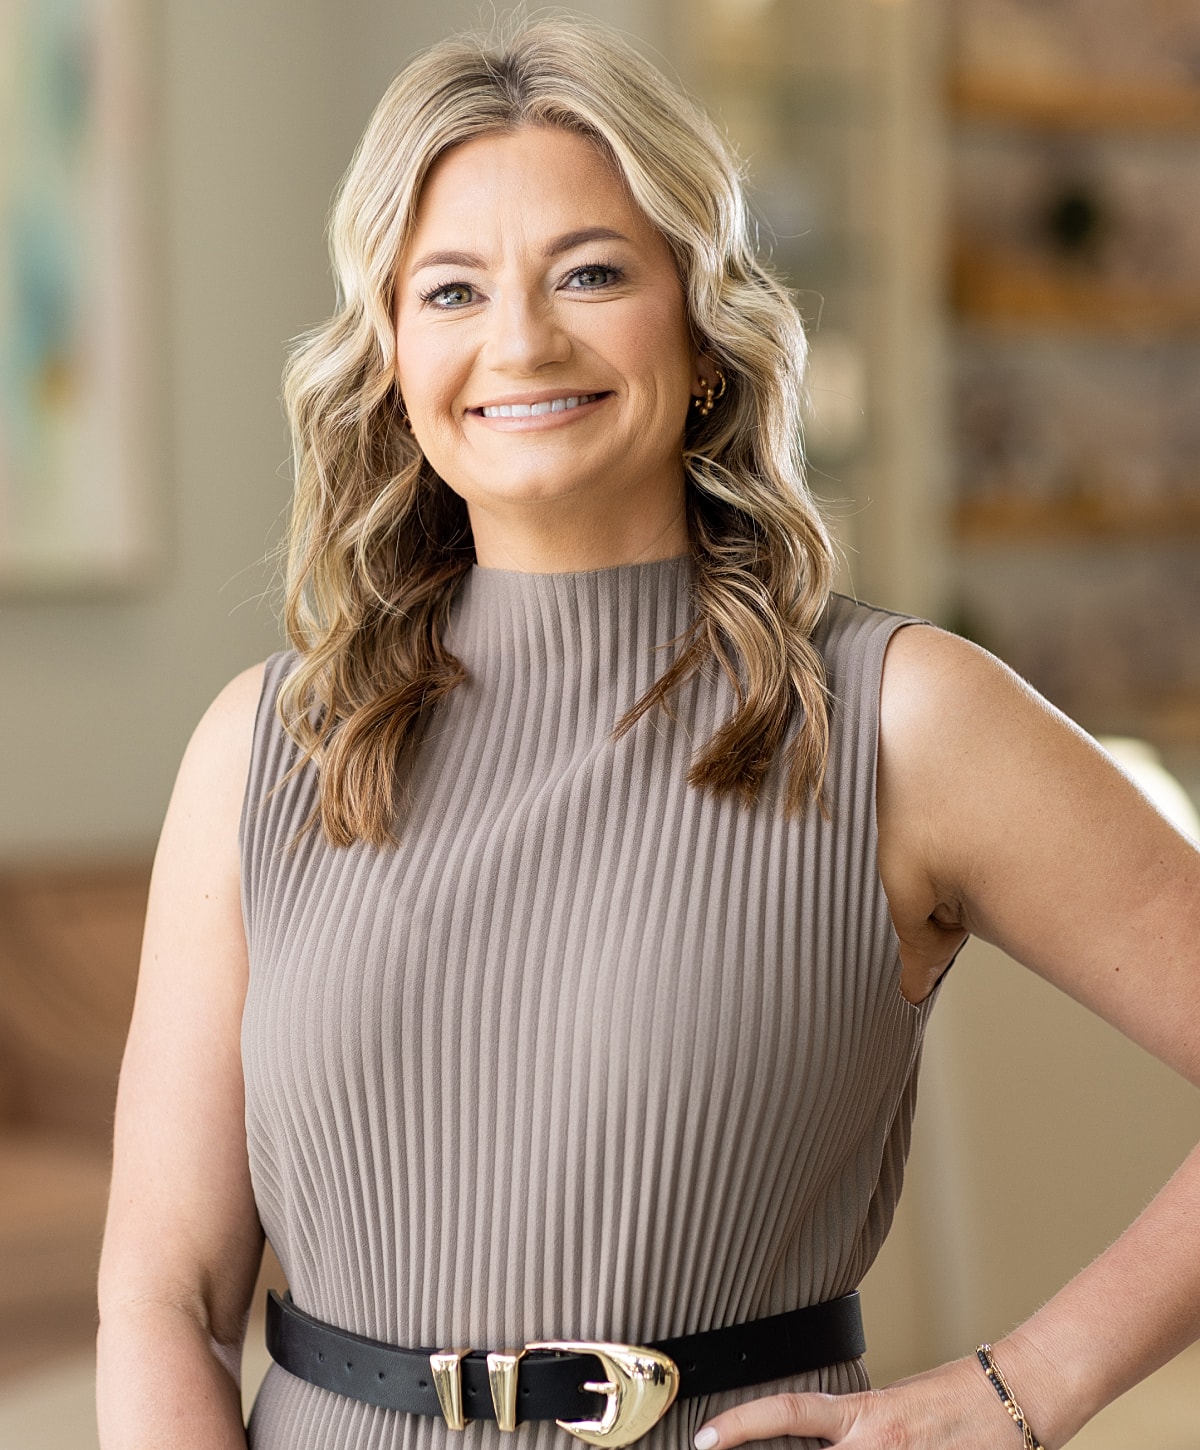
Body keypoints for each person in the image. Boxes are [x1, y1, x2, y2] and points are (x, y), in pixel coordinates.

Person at [96, 14, 1200, 1450]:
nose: (520, 341)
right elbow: (167, 1298)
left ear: (702, 323)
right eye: (451, 290)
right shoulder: (263, 750)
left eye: (592, 273)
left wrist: (1026, 1386)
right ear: (390, 354)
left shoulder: (896, 719)